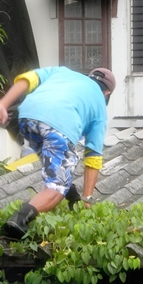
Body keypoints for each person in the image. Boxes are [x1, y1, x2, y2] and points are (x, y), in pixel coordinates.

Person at [0, 66, 116, 239]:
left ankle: (71, 192)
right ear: (107, 93)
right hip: (58, 127)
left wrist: (3, 103)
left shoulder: (62, 72)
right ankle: (19, 220)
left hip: (27, 118)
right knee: (56, 187)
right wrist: (87, 199)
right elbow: (93, 156)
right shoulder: (99, 103)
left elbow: (27, 78)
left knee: (56, 162)